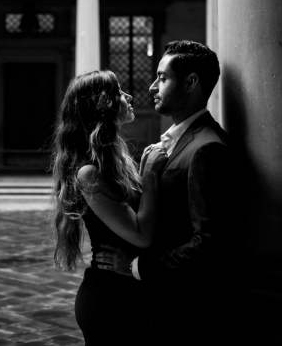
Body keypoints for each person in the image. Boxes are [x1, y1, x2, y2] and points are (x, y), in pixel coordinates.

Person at [94, 40, 236, 345]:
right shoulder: (172, 144)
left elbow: (208, 242)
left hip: (184, 309)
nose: (151, 87)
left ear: (191, 83)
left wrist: (138, 267)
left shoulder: (207, 148)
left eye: (162, 77)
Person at [49, 70, 168, 346]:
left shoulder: (115, 158)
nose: (127, 96)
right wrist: (150, 175)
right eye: (118, 92)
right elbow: (141, 235)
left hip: (128, 287)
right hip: (108, 297)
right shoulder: (88, 173)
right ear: (103, 105)